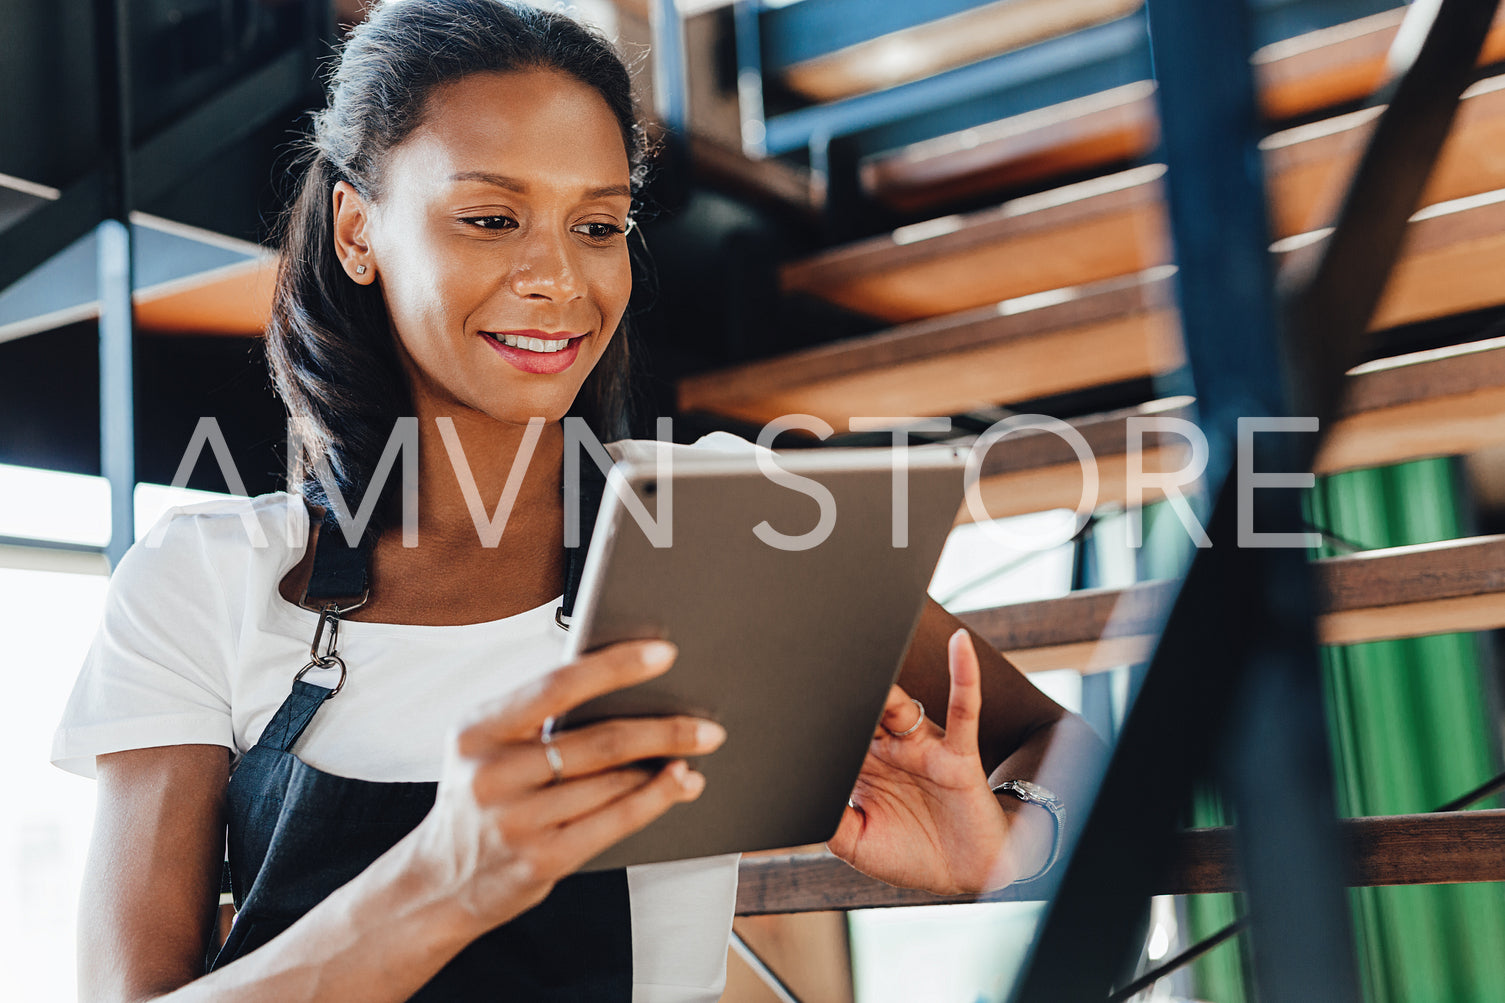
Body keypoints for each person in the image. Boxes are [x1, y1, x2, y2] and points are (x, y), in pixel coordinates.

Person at [51, 1, 1104, 999]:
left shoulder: (719, 517)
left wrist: (1012, 839)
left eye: (598, 226)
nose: (560, 277)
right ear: (358, 230)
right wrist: (441, 882)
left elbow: (1063, 747)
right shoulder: (201, 580)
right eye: (491, 216)